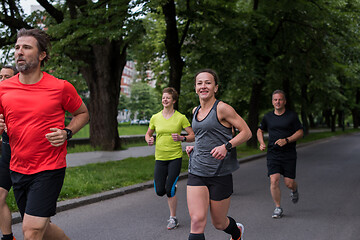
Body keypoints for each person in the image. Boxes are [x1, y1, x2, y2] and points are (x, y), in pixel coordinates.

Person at [0, 28, 89, 240]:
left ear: (42, 55)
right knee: (42, 228)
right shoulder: (4, 90)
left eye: (27, 47)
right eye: (17, 47)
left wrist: (67, 132)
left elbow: (83, 113)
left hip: (49, 167)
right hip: (18, 167)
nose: (19, 52)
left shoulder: (60, 87)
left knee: (31, 230)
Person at [185, 69, 252, 240]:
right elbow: (202, 136)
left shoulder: (222, 109)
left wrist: (226, 146)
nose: (203, 86)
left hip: (219, 173)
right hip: (197, 170)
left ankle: (236, 232)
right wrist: (195, 147)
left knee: (219, 223)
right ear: (195, 88)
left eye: (208, 82)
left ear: (215, 87)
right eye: (199, 83)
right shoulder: (195, 110)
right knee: (197, 220)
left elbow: (246, 132)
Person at [145, 87, 195, 230]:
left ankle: (173, 218)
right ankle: (171, 186)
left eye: (168, 98)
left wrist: (182, 138)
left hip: (175, 157)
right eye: (163, 97)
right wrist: (149, 139)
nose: (165, 100)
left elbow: (192, 135)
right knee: (160, 191)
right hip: (160, 158)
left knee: (170, 191)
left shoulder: (180, 117)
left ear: (173, 100)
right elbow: (148, 134)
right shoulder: (155, 117)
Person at [257, 90, 304, 219]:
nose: (278, 102)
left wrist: (287, 140)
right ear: (272, 102)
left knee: (289, 183)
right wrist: (261, 143)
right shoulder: (268, 117)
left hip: (288, 154)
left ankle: (294, 189)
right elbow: (259, 130)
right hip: (273, 153)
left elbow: (300, 132)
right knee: (274, 180)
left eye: (280, 99)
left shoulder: (292, 116)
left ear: (285, 101)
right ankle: (278, 207)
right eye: (275, 100)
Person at [0, 65, 18, 240]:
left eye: (7, 77)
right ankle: (7, 237)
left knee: (32, 212)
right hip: (7, 157)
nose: (2, 80)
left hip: (28, 160)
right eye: (0, 76)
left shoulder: (21, 100)